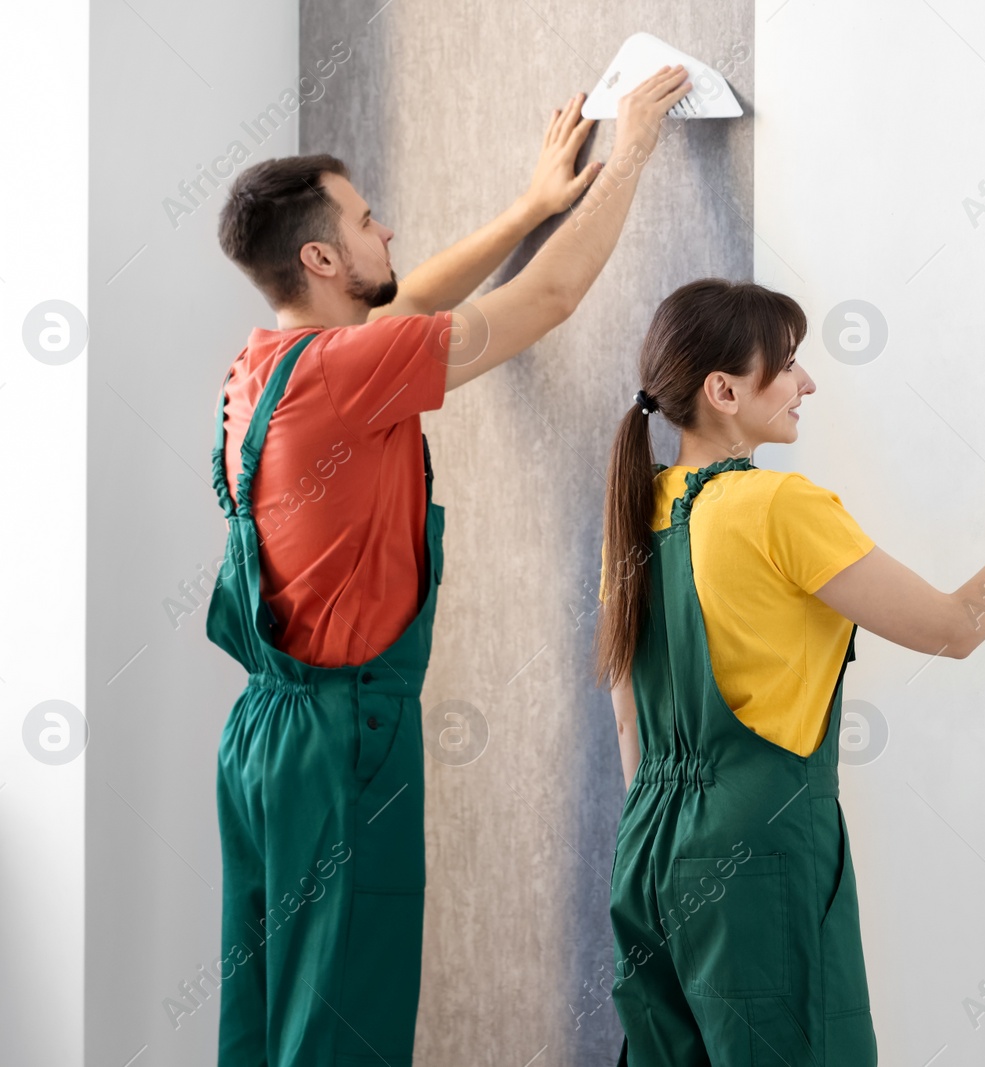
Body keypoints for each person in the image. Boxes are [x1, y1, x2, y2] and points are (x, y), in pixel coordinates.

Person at [206, 67, 694, 1066]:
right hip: (344, 738)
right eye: (369, 218)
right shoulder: (346, 373)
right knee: (340, 1020)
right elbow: (550, 299)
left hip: (266, 735)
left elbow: (408, 300)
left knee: (273, 1014)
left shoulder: (267, 363)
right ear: (321, 255)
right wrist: (636, 141)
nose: (389, 233)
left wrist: (530, 204)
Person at [595, 279, 985, 1065]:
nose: (807, 382)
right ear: (725, 391)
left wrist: (674, 836)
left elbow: (627, 723)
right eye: (787, 364)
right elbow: (957, 626)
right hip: (758, 848)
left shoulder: (633, 512)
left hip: (645, 850)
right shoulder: (775, 506)